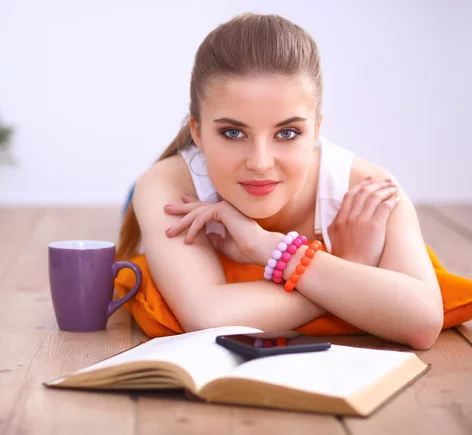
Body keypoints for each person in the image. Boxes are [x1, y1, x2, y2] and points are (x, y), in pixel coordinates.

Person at [114, 13, 470, 350]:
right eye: (233, 132)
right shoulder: (167, 185)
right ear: (197, 130)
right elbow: (209, 315)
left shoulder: (368, 190)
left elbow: (422, 322)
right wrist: (350, 268)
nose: (259, 163)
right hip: (187, 184)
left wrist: (265, 247)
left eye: (286, 132)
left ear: (316, 129)